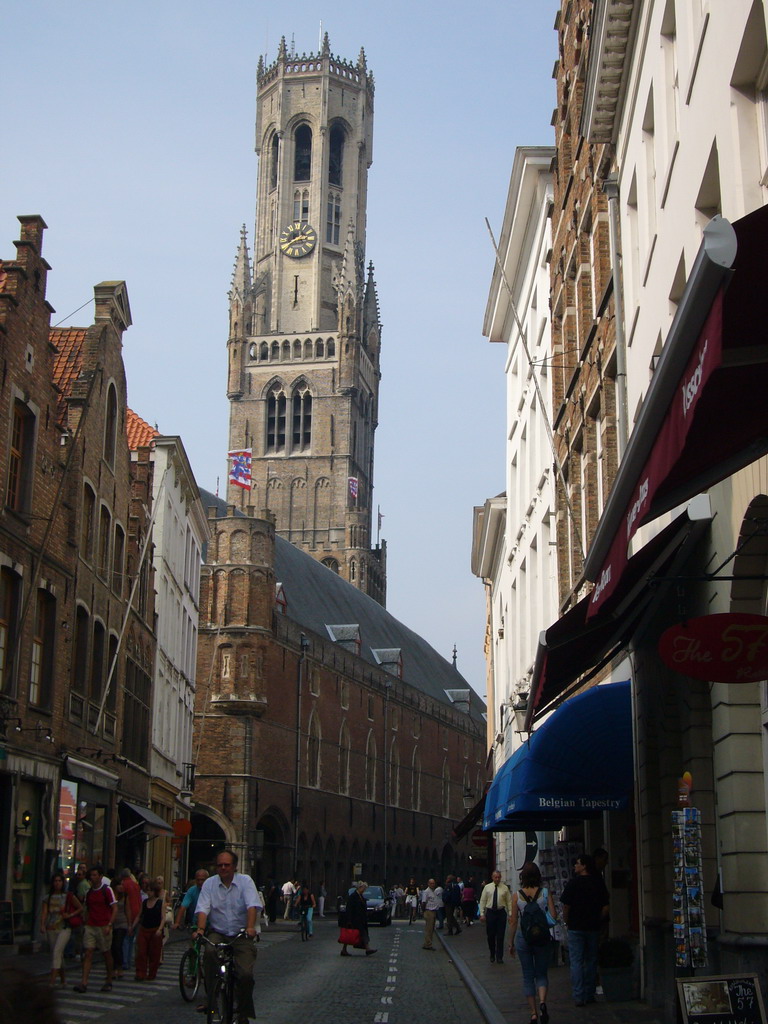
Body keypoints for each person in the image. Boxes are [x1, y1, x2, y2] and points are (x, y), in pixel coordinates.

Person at [194, 849, 262, 1024]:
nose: (223, 868)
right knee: (209, 952)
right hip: (218, 931)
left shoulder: (245, 881)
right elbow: (203, 908)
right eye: (219, 865)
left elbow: (252, 906)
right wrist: (201, 929)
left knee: (245, 974)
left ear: (234, 866)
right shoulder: (210, 884)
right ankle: (212, 999)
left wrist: (250, 928)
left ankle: (243, 1012)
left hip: (241, 933)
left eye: (226, 865)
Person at [509, 862, 557, 1024]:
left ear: (522, 877)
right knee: (542, 974)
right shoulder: (545, 892)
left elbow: (514, 921)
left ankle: (533, 1013)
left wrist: (510, 942)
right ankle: (543, 1002)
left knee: (528, 976)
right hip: (542, 938)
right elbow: (553, 915)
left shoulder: (517, 895)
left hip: (524, 938)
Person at [561, 853, 610, 1007]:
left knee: (576, 961)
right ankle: (589, 994)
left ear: (584, 866)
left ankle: (578, 995)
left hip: (576, 927)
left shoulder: (573, 883)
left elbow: (566, 906)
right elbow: (605, 907)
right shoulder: (598, 883)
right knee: (591, 961)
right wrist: (598, 919)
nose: (575, 865)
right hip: (593, 927)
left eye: (577, 863)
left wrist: (567, 920)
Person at [73, 865, 117, 993]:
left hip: (103, 925)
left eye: (95, 875)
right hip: (91, 925)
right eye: (91, 875)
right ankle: (84, 982)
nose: (92, 878)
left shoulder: (107, 890)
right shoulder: (89, 892)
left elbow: (114, 907)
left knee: (106, 952)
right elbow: (87, 908)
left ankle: (109, 979)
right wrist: (85, 922)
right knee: (88, 952)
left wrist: (109, 924)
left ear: (100, 876)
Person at [41, 873, 78, 987]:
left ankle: (52, 981)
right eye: (55, 881)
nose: (57, 883)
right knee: (57, 954)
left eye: (59, 881)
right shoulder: (48, 897)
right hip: (51, 927)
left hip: (64, 927)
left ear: (63, 883)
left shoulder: (68, 896)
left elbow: (80, 908)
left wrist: (70, 915)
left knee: (57, 951)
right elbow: (45, 912)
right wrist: (42, 924)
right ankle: (63, 979)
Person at [479, 870, 513, 964]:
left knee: (501, 936)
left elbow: (509, 902)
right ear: (492, 877)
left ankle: (499, 956)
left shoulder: (505, 888)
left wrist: (510, 914)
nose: (497, 879)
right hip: (490, 913)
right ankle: (492, 953)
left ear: (500, 877)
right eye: (495, 877)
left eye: (499, 877)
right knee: (491, 935)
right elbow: (483, 900)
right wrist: (482, 914)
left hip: (501, 913)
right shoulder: (487, 888)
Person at [134, 879, 165, 981]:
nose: (149, 893)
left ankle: (152, 973)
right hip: (144, 929)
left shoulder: (160, 903)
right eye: (148, 890)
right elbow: (139, 915)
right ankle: (140, 973)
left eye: (151, 890)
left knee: (154, 954)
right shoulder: (144, 902)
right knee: (141, 952)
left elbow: (163, 918)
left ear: (155, 891)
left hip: (155, 930)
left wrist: (160, 929)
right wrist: (132, 926)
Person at [339, 880, 376, 956]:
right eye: (364, 888)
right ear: (360, 887)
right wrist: (349, 920)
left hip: (360, 919)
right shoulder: (353, 896)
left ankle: (345, 949)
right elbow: (349, 908)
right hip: (354, 919)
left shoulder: (361, 896)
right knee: (351, 934)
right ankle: (367, 948)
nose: (364, 890)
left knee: (359, 934)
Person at [110, 879, 134, 979]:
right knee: (112, 947)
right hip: (112, 923)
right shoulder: (110, 895)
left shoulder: (124, 897)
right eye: (119, 884)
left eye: (121, 885)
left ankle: (119, 968)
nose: (121, 886)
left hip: (122, 923)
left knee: (118, 945)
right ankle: (113, 968)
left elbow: (128, 910)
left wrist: (129, 925)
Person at [420, 878, 443, 950]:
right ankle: (428, 944)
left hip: (434, 911)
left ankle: (427, 943)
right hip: (429, 911)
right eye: (431, 883)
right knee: (429, 929)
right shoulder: (426, 892)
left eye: (434, 883)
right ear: (428, 884)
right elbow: (423, 902)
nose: (433, 885)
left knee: (431, 928)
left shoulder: (433, 891)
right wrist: (424, 911)